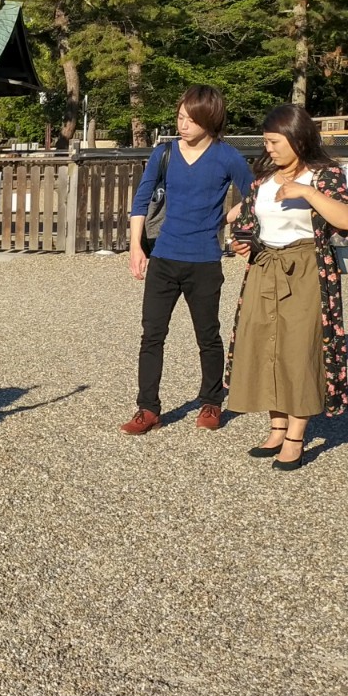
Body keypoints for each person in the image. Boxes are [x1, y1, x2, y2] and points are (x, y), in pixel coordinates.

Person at [225, 104, 348, 470]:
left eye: (274, 141)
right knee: (266, 345)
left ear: (297, 138)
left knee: (299, 349)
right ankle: (277, 427)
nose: (268, 148)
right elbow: (247, 224)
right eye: (266, 142)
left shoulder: (324, 174)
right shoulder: (263, 180)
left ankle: (296, 438)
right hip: (264, 267)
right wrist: (243, 244)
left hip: (306, 269)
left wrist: (308, 192)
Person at [120, 85, 255, 435]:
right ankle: (147, 408)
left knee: (207, 335)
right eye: (180, 117)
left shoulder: (227, 157)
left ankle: (211, 401)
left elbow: (256, 195)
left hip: (204, 261)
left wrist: (226, 219)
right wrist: (136, 247)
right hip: (164, 257)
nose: (183, 125)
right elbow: (141, 200)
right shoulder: (163, 153)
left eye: (191, 120)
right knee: (152, 335)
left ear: (210, 120)